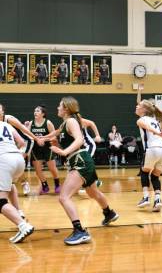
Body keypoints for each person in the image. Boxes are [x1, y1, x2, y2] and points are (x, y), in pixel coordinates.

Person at [41, 96, 119, 245]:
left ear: (66, 109)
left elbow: (79, 140)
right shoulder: (65, 123)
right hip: (82, 161)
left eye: (59, 106)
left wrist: (63, 152)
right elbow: (54, 134)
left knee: (64, 197)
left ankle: (80, 231)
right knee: (92, 192)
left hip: (80, 161)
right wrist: (41, 138)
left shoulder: (71, 121)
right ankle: (109, 213)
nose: (57, 108)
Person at [0, 120, 35, 243]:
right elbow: (21, 142)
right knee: (10, 185)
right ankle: (18, 212)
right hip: (18, 159)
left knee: (0, 201)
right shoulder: (6, 125)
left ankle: (23, 226)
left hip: (4, 160)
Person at [136, 99, 162, 212]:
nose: (137, 106)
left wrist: (156, 132)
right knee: (155, 176)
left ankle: (146, 197)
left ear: (144, 109)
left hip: (153, 149)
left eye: (139, 105)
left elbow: (145, 126)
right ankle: (158, 199)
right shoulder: (155, 121)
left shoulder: (141, 119)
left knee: (144, 172)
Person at [0, 104, 41, 196]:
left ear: (3, 112)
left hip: (26, 141)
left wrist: (36, 138)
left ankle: (24, 183)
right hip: (14, 143)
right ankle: (12, 184)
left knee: (15, 161)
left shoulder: (8, 119)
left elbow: (23, 129)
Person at [29, 105, 61, 194]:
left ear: (43, 114)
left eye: (38, 111)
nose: (35, 112)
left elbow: (54, 137)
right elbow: (28, 136)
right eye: (35, 110)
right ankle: (44, 185)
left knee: (52, 168)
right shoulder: (31, 123)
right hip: (35, 149)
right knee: (38, 170)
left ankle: (57, 184)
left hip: (47, 148)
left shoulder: (48, 123)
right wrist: (36, 140)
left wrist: (44, 139)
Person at [78, 118, 103, 194]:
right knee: (82, 164)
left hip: (89, 145)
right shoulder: (67, 122)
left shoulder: (79, 120)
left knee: (84, 163)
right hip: (80, 148)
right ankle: (96, 181)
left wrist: (97, 135)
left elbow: (92, 123)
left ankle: (86, 185)